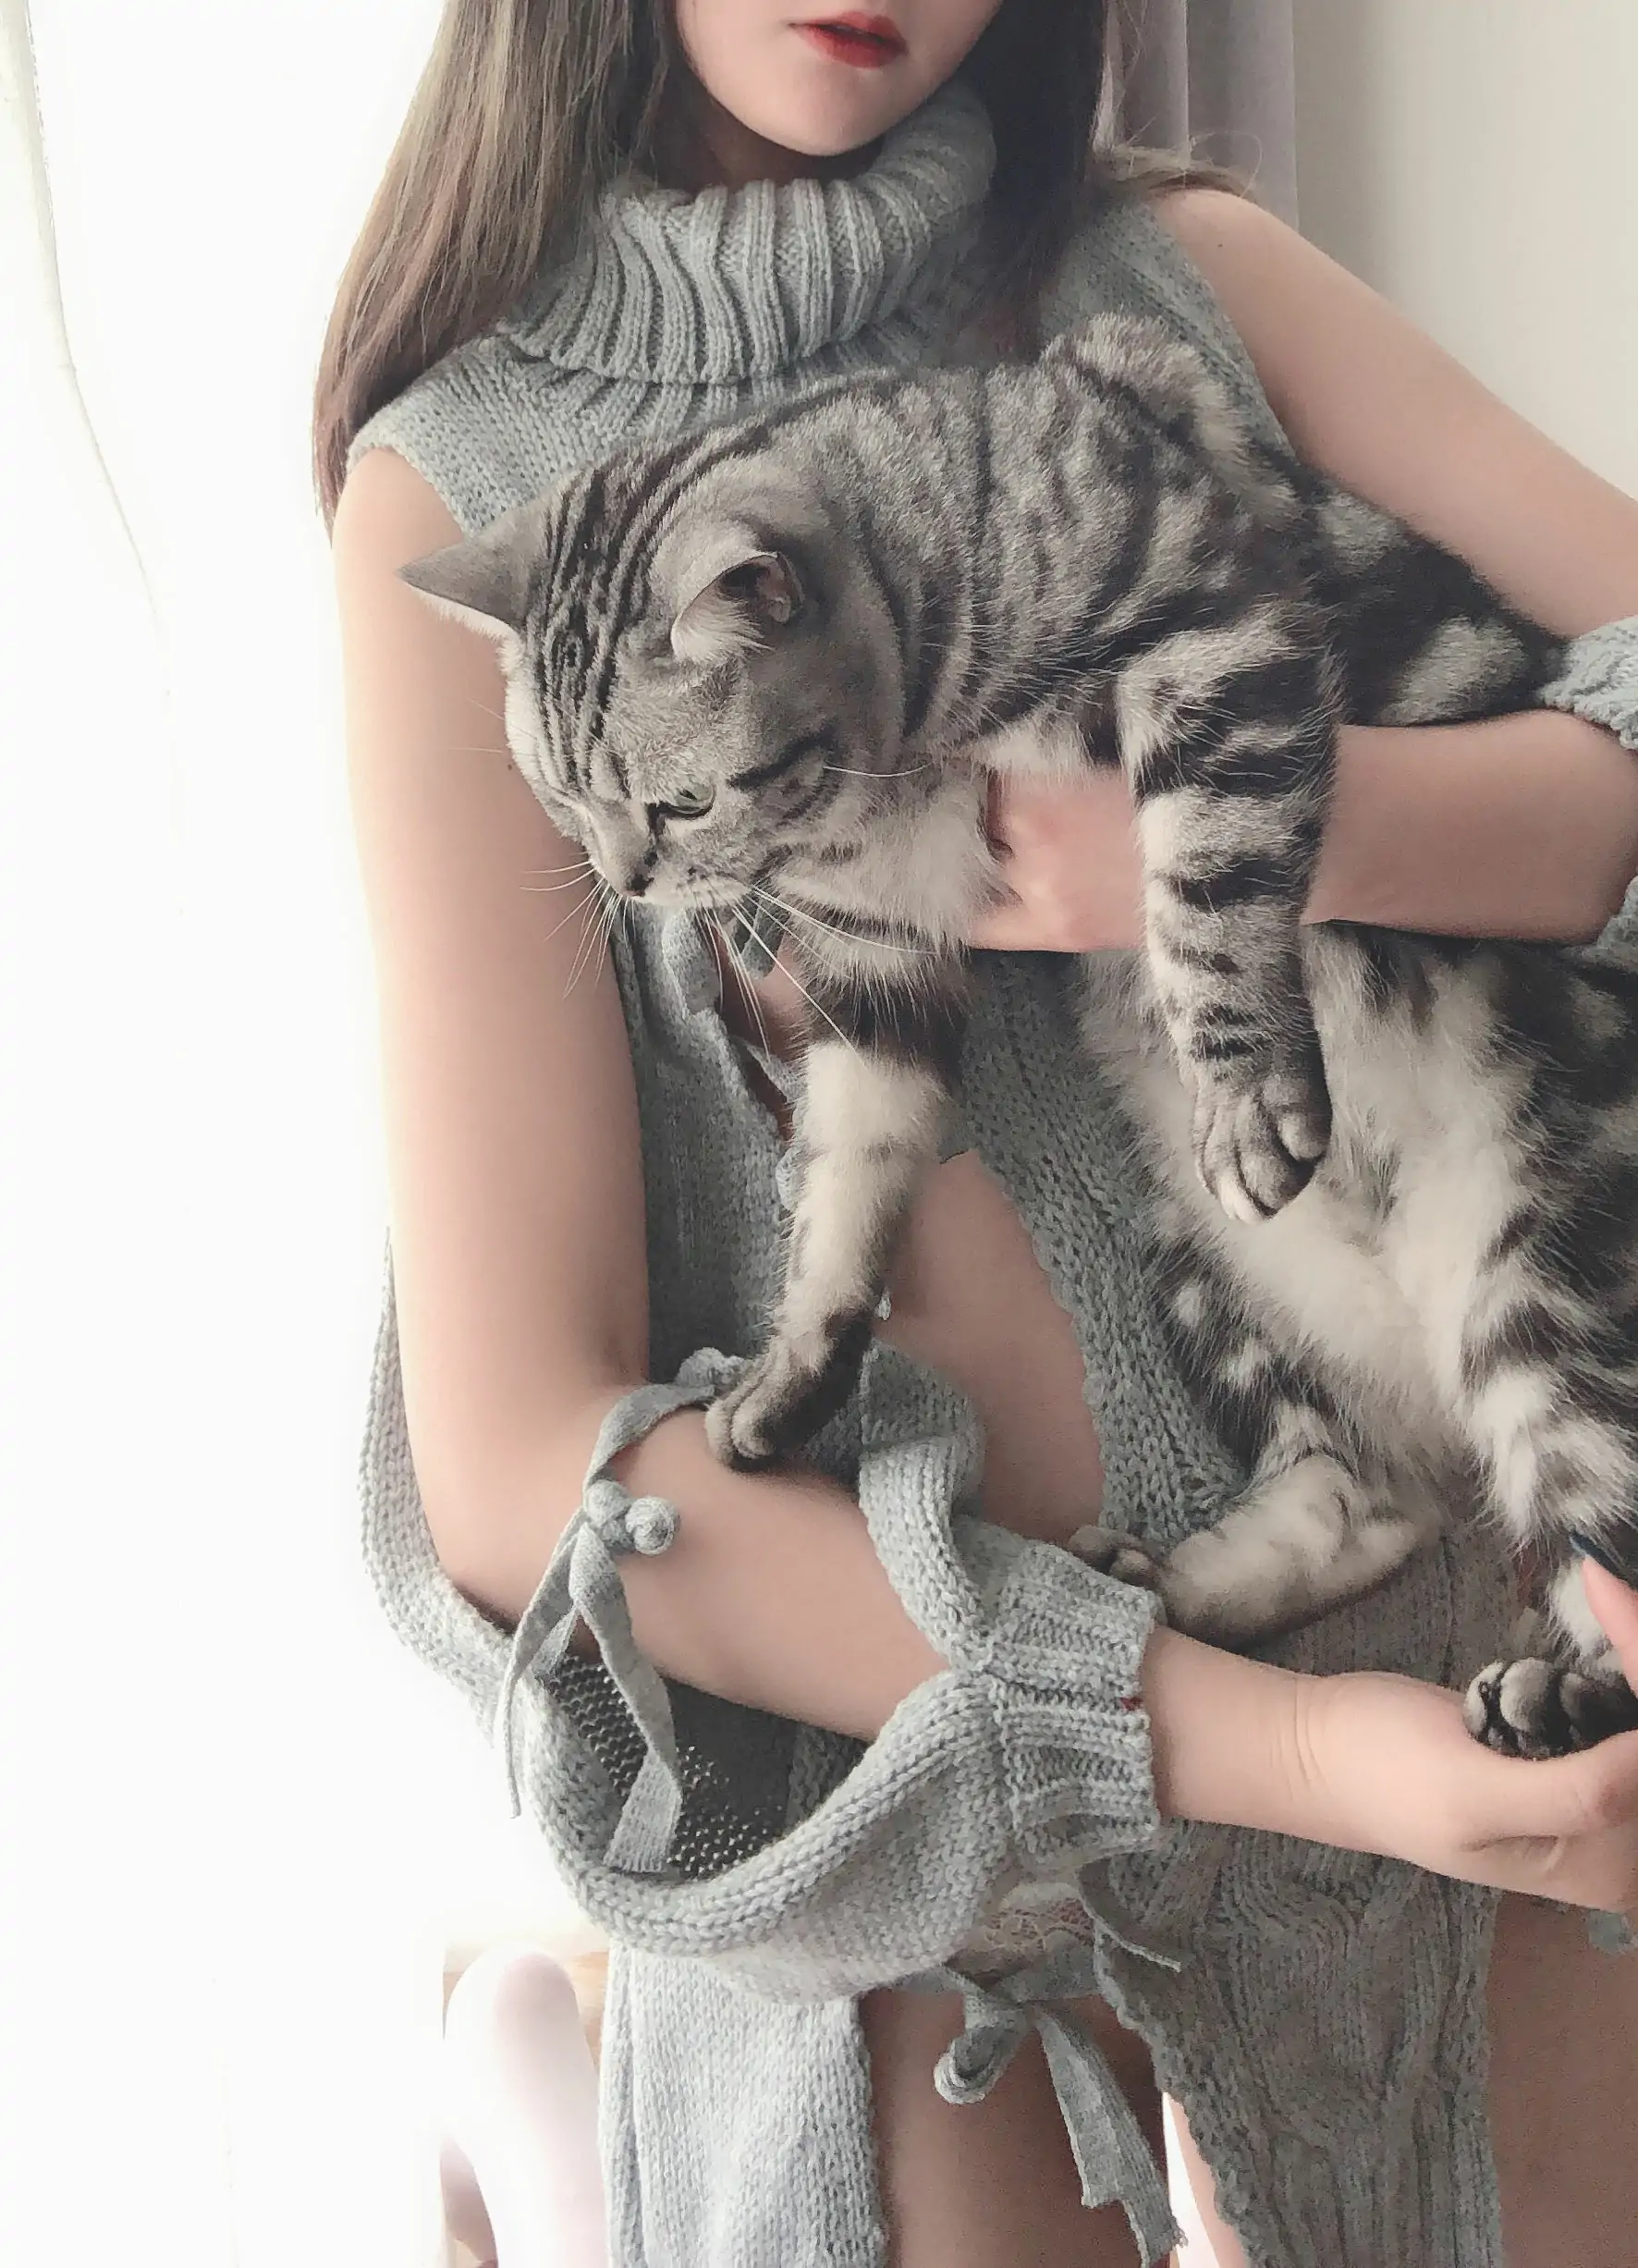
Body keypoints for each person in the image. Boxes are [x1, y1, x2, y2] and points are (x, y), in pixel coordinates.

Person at [316, 4, 1638, 2261]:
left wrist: (1235, 839)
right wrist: (1280, 1747)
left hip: (1459, 1675)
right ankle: (545, 2110)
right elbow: (525, 1464)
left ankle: (534, 2105)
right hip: (946, 1851)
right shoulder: (459, 502)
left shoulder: (1173, 274)